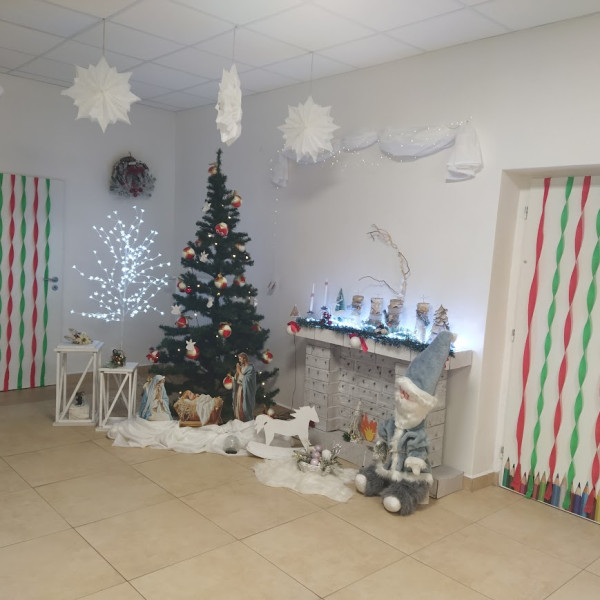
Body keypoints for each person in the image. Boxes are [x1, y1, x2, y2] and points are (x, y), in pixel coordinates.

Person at [232, 352, 256, 421]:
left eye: (240, 359)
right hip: (239, 389)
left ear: (244, 359)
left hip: (245, 390)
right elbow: (237, 378)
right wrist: (237, 373)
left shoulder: (250, 368)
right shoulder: (242, 367)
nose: (239, 361)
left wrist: (239, 371)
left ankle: (244, 419)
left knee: (243, 405)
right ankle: (238, 418)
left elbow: (247, 380)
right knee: (238, 404)